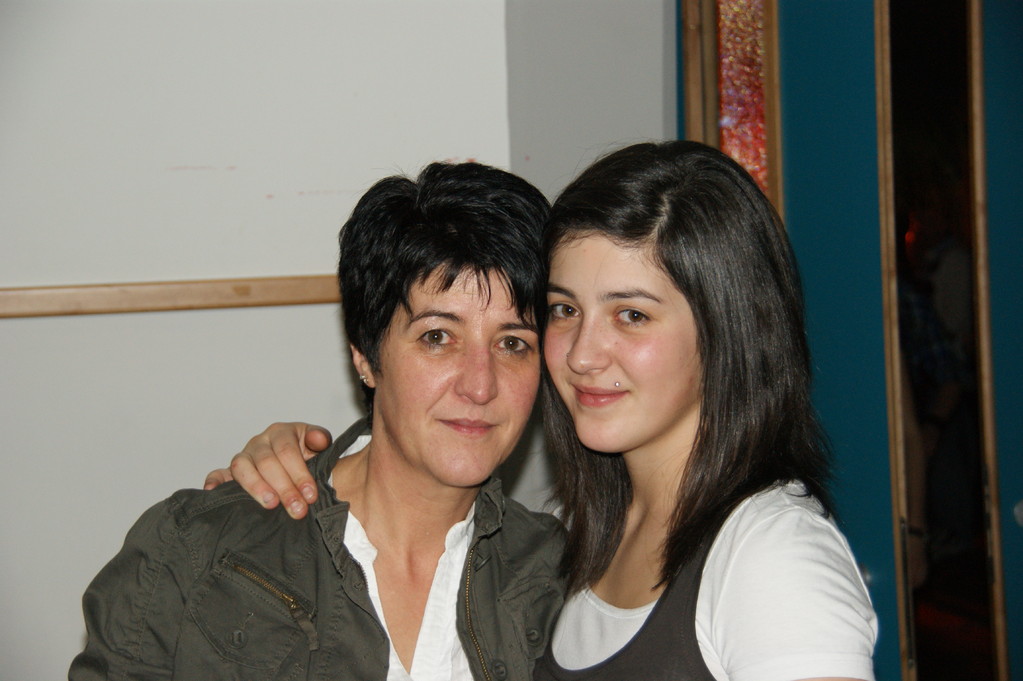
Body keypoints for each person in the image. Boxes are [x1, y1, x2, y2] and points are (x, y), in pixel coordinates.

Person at [210, 141, 878, 680]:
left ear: (726, 329)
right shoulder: (566, 545)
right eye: (563, 310)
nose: (582, 354)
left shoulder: (771, 557)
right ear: (365, 353)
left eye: (631, 315)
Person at [70, 162, 565, 681]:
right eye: (437, 337)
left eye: (513, 343)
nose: (480, 386)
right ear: (365, 356)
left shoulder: (560, 579)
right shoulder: (199, 550)